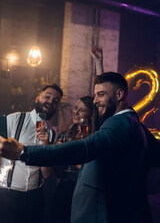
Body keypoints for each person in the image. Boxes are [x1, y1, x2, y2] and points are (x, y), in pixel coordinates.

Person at [0, 72, 152, 223]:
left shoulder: (121, 123)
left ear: (119, 95)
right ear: (38, 97)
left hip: (109, 211)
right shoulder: (132, 122)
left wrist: (24, 152)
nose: (96, 100)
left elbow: (86, 147)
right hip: (14, 196)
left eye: (100, 94)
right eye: (95, 95)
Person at [0, 82, 63, 223]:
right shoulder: (15, 119)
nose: (50, 102)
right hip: (8, 196)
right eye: (47, 97)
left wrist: (46, 145)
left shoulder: (52, 134)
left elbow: (46, 174)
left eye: (55, 101)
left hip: (35, 197)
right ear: (37, 98)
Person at [53, 95, 98, 223]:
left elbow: (91, 170)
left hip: (85, 191)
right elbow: (58, 172)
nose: (76, 113)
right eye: (76, 108)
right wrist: (57, 154)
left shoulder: (95, 137)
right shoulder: (65, 135)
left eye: (82, 110)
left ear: (91, 114)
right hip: (64, 189)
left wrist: (67, 154)